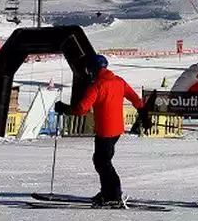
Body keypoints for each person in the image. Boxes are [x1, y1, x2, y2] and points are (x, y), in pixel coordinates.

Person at [54, 54, 147, 208]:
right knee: (102, 161)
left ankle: (114, 194)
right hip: (117, 129)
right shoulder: (119, 81)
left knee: (102, 162)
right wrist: (142, 110)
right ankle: (107, 192)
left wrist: (64, 108)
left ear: (92, 69)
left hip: (105, 130)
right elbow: (134, 98)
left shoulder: (97, 85)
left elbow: (81, 109)